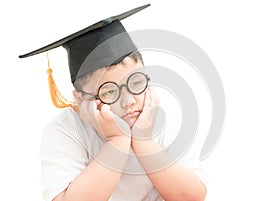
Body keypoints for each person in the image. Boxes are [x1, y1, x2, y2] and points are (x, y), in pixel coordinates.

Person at [19, 4, 207, 201]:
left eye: (136, 82)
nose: (129, 101)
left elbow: (191, 197)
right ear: (81, 99)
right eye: (109, 92)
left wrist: (143, 142)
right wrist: (117, 141)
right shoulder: (65, 130)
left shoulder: (160, 114)